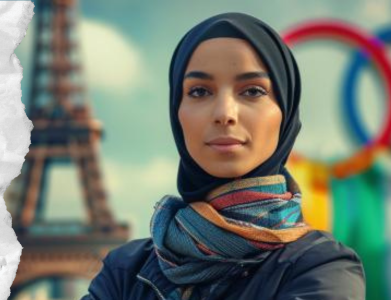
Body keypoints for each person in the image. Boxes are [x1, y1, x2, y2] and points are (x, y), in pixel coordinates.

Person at [81, 12, 366, 300]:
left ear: (286, 113)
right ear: (175, 113)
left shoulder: (321, 267)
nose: (224, 114)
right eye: (200, 91)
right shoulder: (126, 269)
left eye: (253, 91)